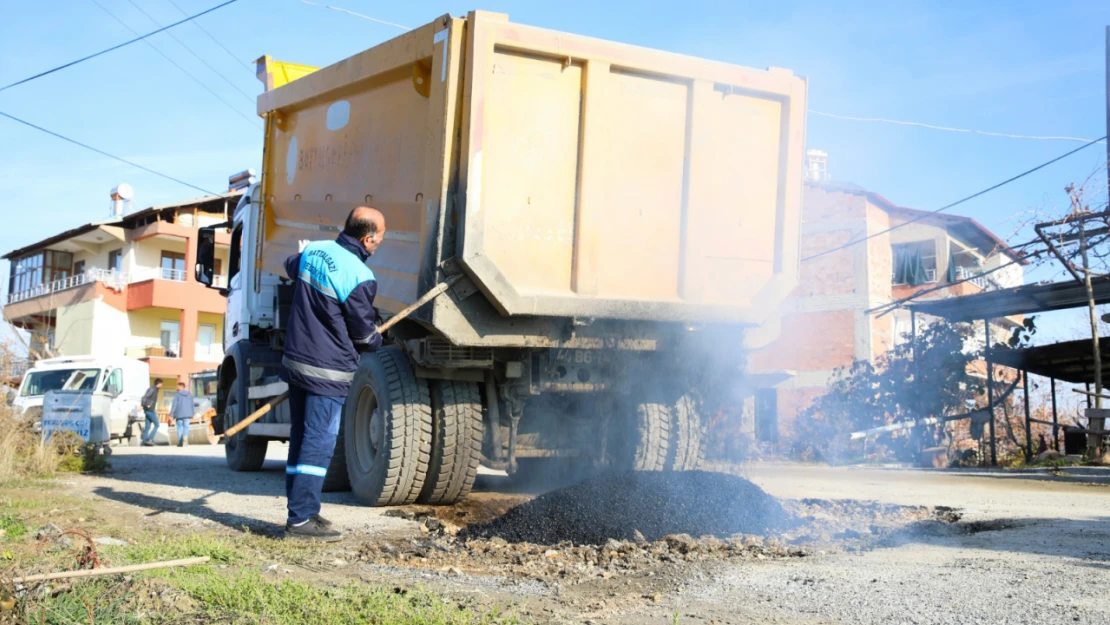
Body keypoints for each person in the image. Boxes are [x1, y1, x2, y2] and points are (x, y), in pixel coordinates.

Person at [279, 206, 385, 541]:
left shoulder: (315, 250)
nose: (381, 241)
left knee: (301, 437)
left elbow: (290, 267)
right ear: (367, 239)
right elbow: (363, 337)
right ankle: (299, 522)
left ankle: (304, 510)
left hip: (297, 360)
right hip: (327, 371)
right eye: (381, 236)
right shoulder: (360, 276)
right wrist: (379, 335)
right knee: (319, 442)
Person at [169, 381, 194, 448]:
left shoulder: (177, 394)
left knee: (179, 428)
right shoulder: (189, 394)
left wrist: (171, 414)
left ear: (180, 387)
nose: (177, 388)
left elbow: (174, 405)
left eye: (178, 386)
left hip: (179, 415)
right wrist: (192, 414)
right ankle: (185, 439)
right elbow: (192, 405)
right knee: (186, 427)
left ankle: (180, 442)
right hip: (187, 414)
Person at [139, 379, 162, 447]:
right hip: (150, 409)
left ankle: (144, 441)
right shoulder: (152, 389)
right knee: (157, 425)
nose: (162, 385)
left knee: (147, 426)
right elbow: (145, 397)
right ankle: (150, 439)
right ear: (159, 383)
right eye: (161, 384)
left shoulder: (154, 389)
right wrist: (143, 405)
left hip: (148, 409)